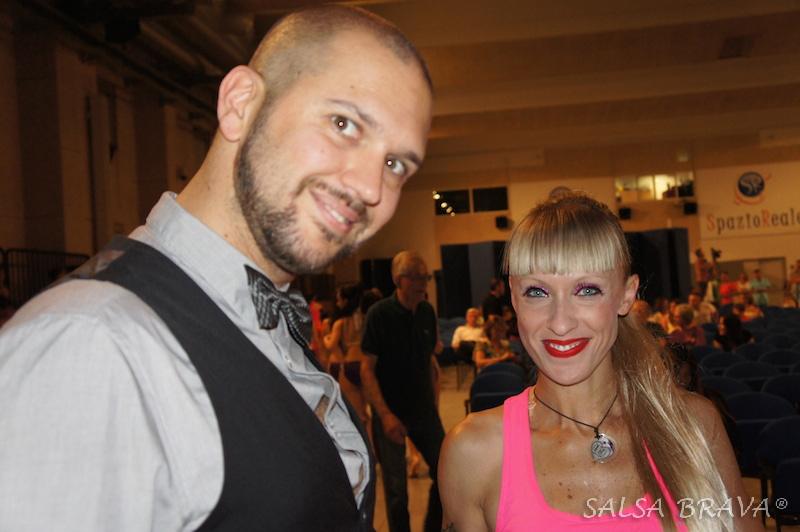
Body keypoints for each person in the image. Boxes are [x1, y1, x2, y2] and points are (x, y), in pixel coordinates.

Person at [0, 6, 433, 531]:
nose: (370, 187)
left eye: (395, 164)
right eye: (344, 124)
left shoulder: (266, 318)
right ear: (240, 103)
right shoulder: (90, 345)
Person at [439, 192, 759, 531]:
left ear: (626, 295)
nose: (560, 323)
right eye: (537, 292)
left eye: (587, 290)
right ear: (515, 299)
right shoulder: (473, 453)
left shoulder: (693, 425)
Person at [361, 250, 445, 532]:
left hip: (424, 412)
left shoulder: (427, 312)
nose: (423, 283)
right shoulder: (379, 314)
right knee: (397, 494)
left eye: (426, 277)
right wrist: (384, 415)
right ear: (399, 280)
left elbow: (429, 363)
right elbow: (367, 369)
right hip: (390, 414)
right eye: (416, 277)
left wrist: (433, 404)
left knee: (445, 473)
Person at [325, 283, 369, 426]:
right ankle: (371, 439)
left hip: (349, 364)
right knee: (366, 412)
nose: (337, 303)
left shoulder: (340, 323)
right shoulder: (365, 319)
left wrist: (325, 338)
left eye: (339, 300)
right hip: (365, 364)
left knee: (356, 414)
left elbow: (331, 345)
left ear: (345, 301)